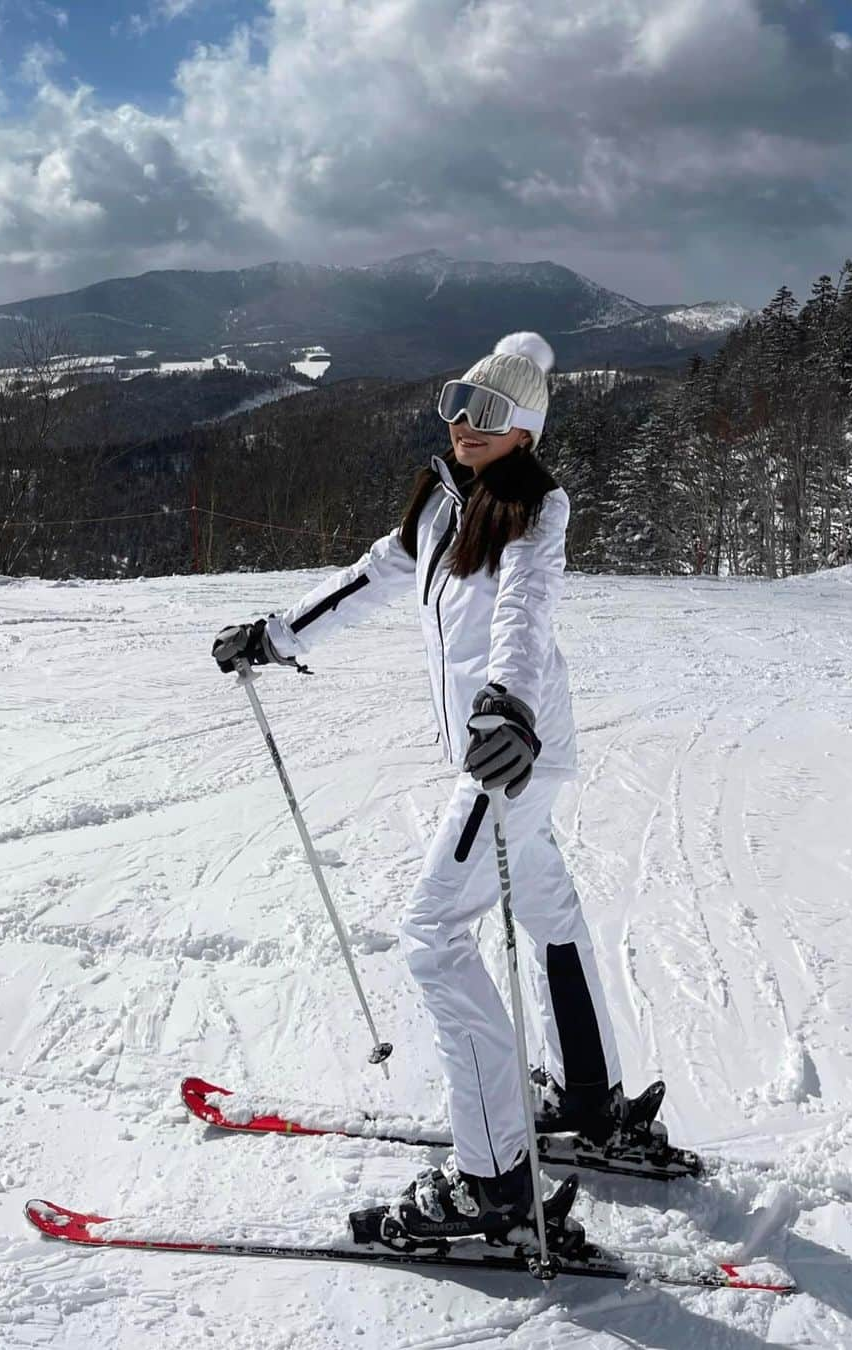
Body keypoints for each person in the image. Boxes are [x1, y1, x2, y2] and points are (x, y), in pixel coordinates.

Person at [212, 332, 660, 1244]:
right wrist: (274, 635)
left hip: (511, 754)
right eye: (457, 399)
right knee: (551, 908)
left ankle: (494, 1181)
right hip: (510, 752)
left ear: (525, 431)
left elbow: (527, 611)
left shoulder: (535, 510)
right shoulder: (440, 503)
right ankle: (588, 1098)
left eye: (487, 411)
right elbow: (371, 578)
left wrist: (508, 706)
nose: (463, 420)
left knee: (430, 935)